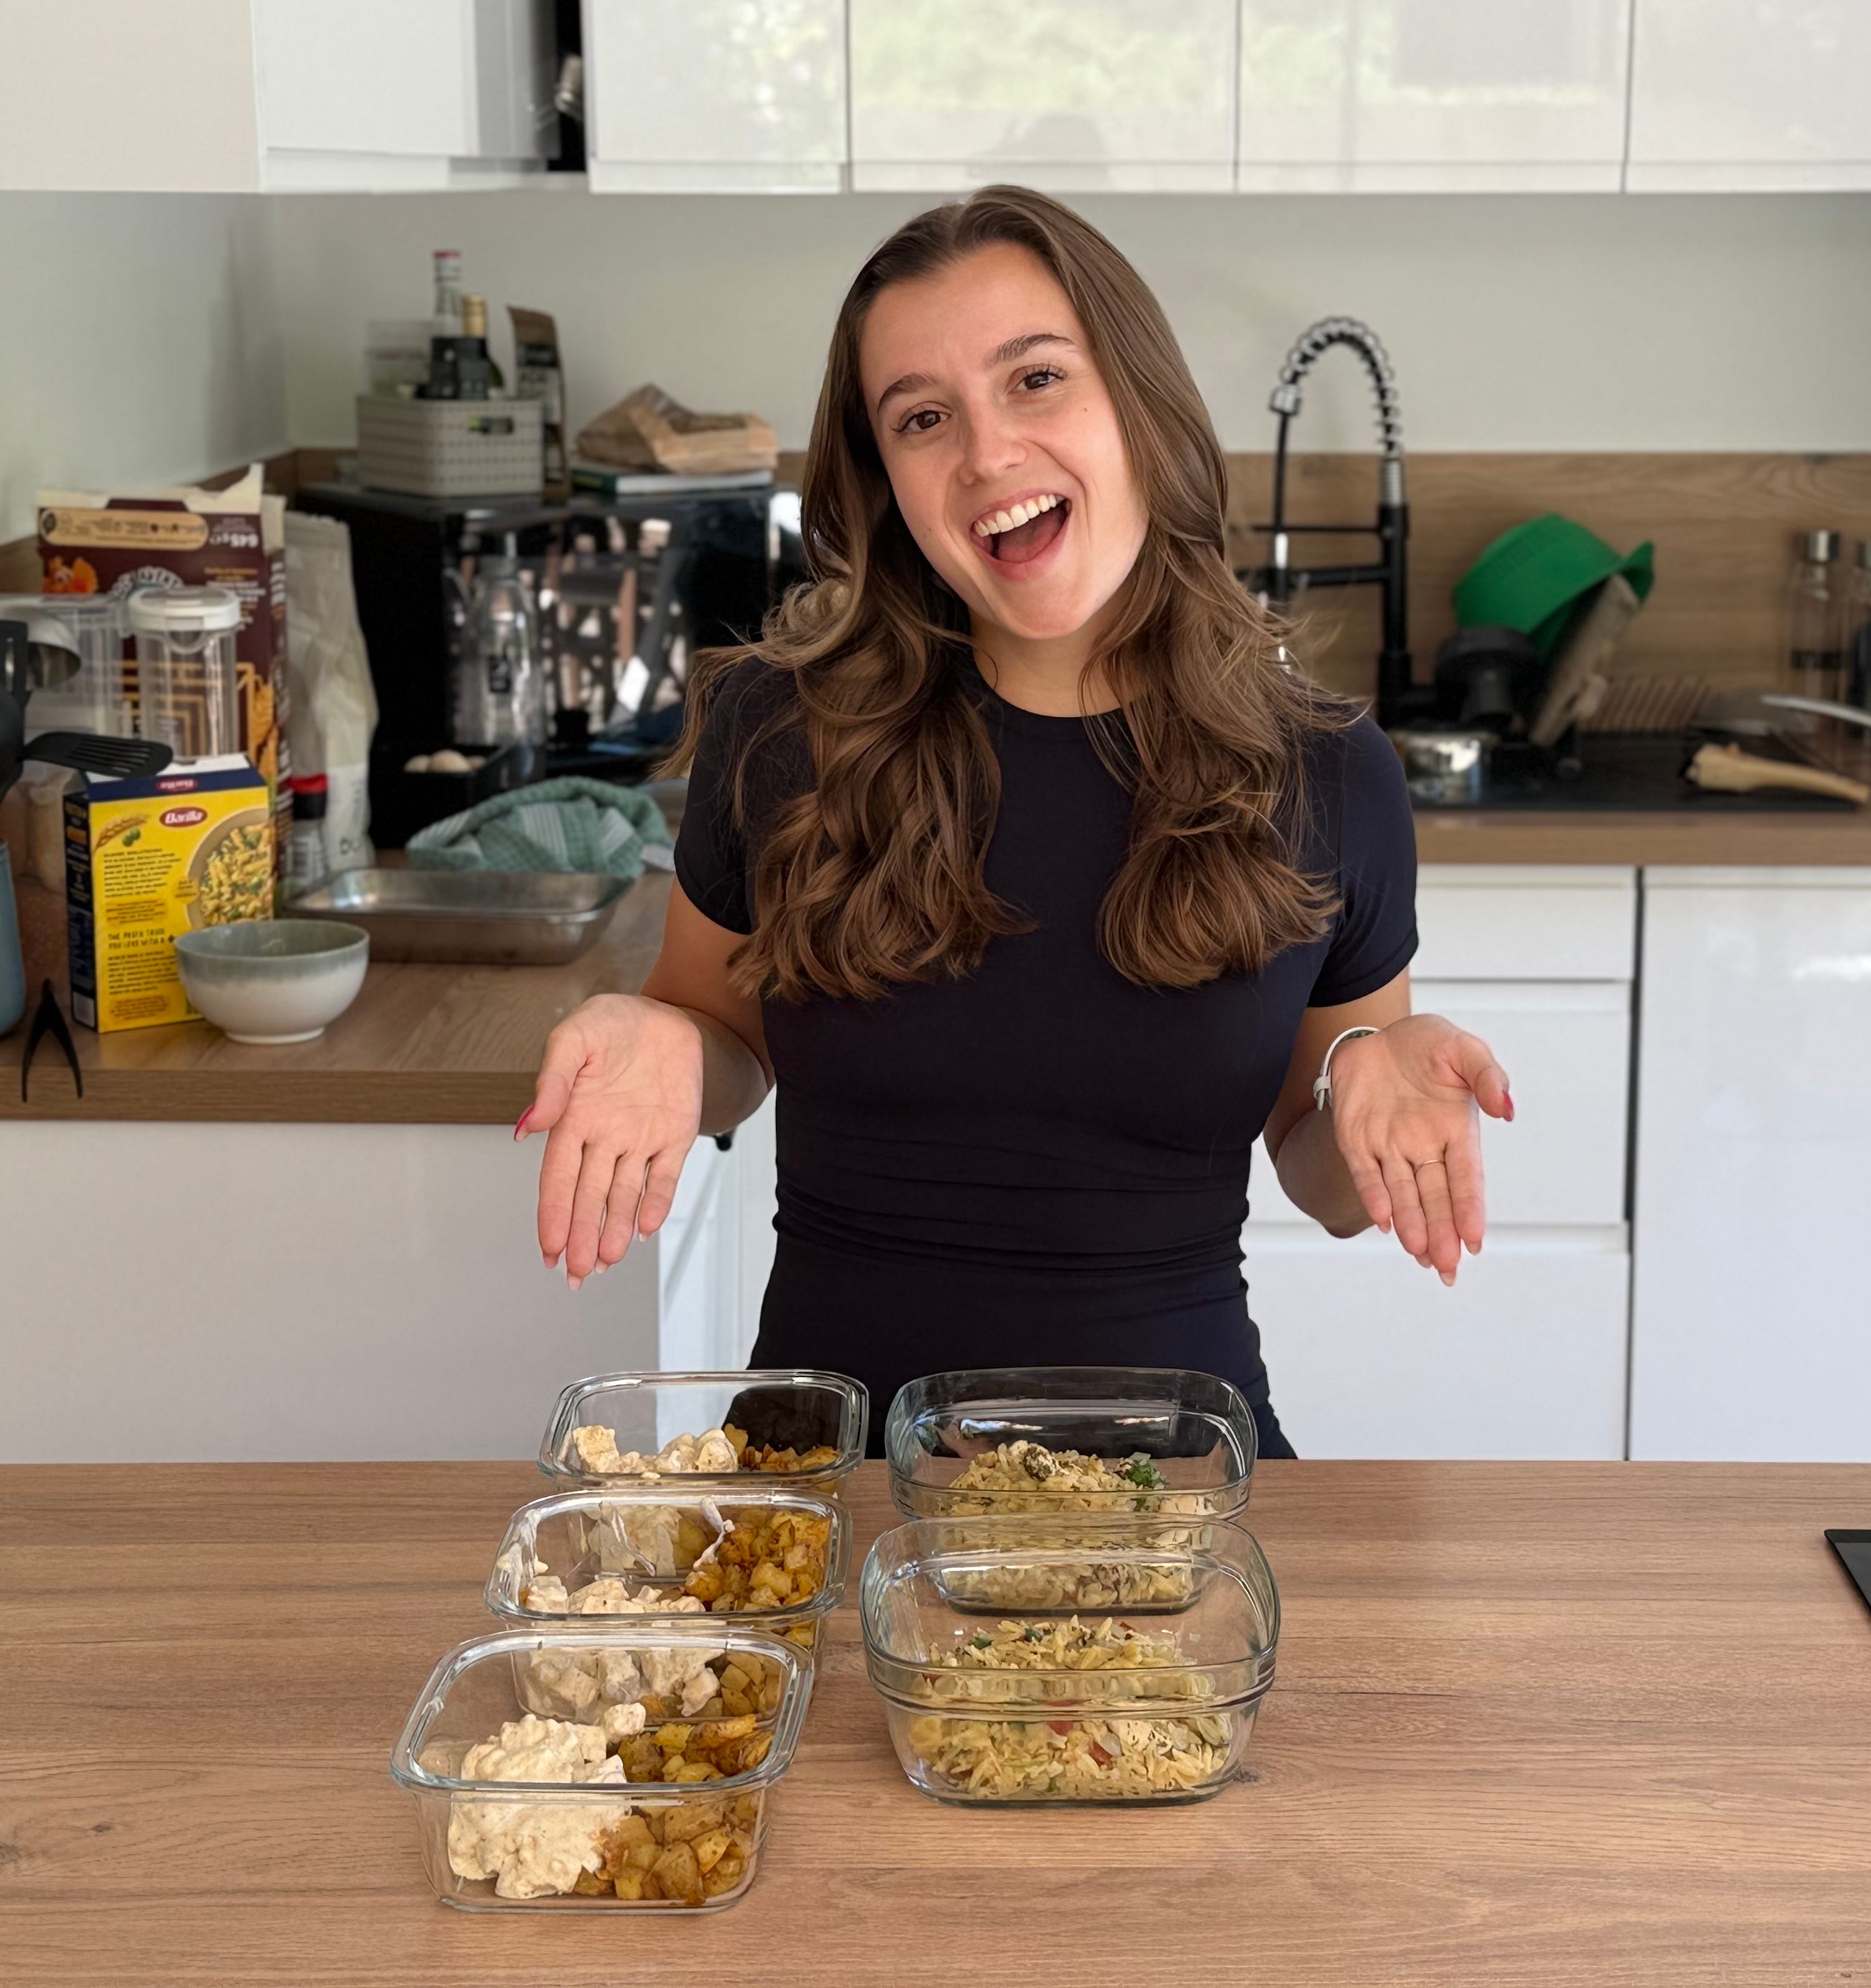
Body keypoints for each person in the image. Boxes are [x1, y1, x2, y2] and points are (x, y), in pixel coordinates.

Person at [517, 186, 1512, 1456]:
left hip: (1173, 1489)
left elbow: (1325, 1180)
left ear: (1138, 400)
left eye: (1035, 379)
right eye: (922, 417)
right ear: (886, 481)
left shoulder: (1328, 773)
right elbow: (722, 1040)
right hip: (831, 1479)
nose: (987, 454)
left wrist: (1365, 1080)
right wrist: (662, 1035)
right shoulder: (783, 733)